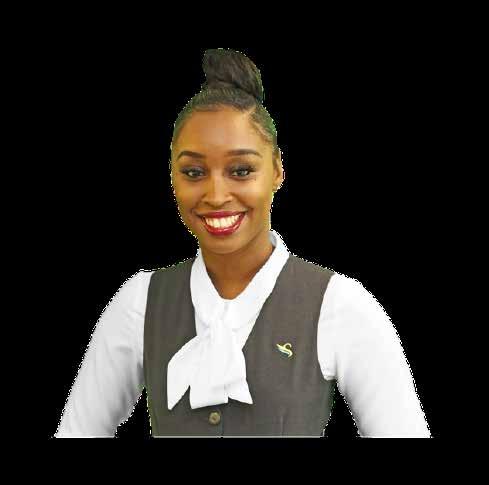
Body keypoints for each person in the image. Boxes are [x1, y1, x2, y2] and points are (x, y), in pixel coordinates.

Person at [54, 48, 431, 438]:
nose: (216, 195)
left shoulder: (338, 305)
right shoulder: (140, 304)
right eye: (194, 172)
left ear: (277, 170)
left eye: (241, 170)